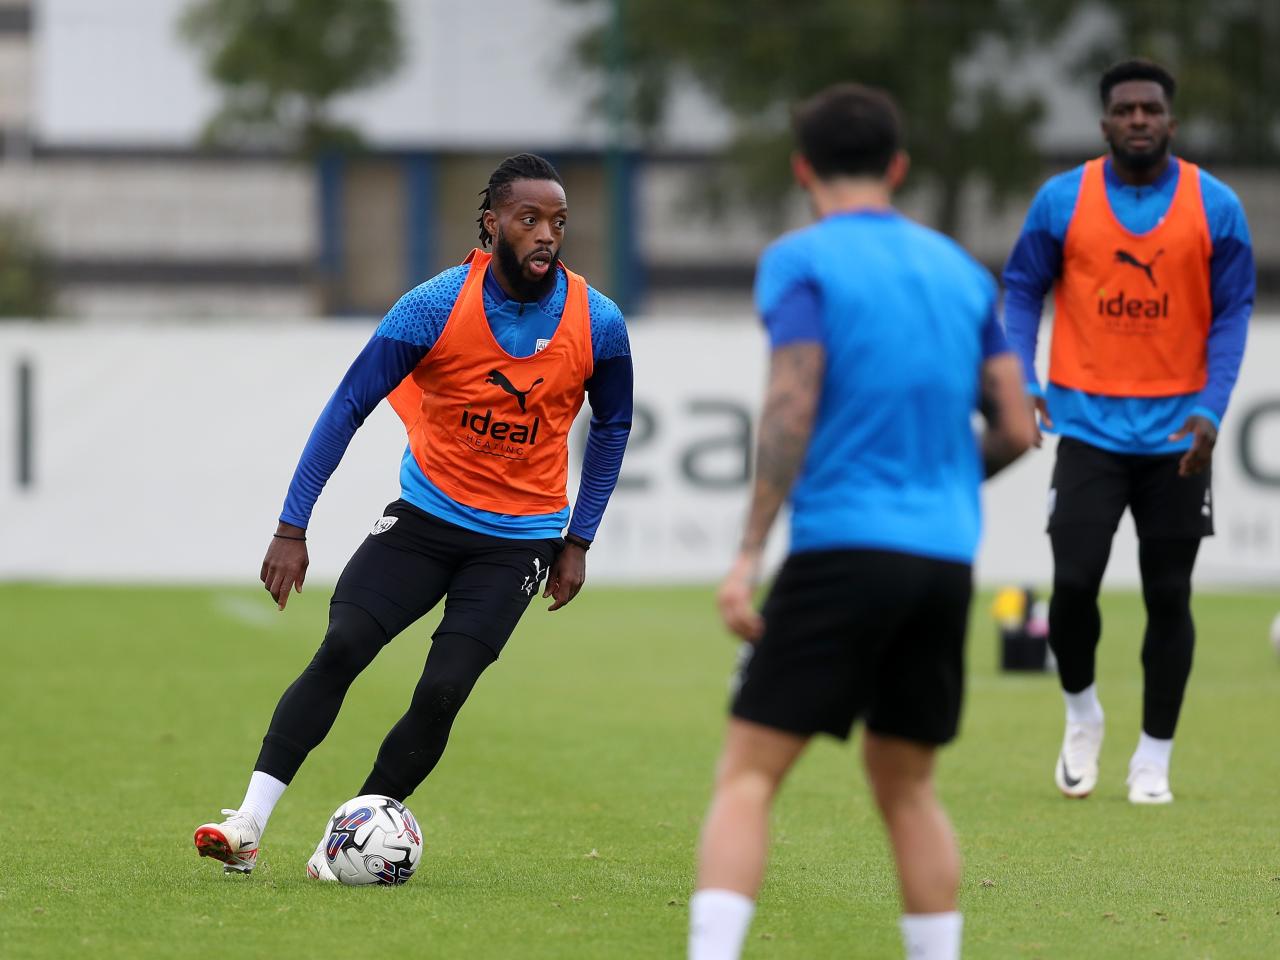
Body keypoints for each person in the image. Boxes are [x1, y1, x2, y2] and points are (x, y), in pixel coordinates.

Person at [192, 153, 633, 876]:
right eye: (529, 219)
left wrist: (577, 539)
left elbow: (613, 428)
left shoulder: (600, 322)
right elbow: (347, 408)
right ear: (492, 223)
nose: (546, 234)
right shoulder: (433, 306)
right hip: (424, 521)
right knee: (341, 649)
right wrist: (291, 527)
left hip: (517, 543)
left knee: (442, 691)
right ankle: (246, 823)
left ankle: (349, 839)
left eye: (558, 220)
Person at [688, 84, 1036, 960]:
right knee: (907, 787)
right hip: (944, 560)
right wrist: (949, 475)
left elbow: (791, 405)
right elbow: (1020, 426)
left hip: (844, 545)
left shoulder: (802, 260)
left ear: (803, 168)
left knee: (749, 777)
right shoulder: (961, 271)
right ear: (899, 166)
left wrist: (746, 554)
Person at [1003, 59, 1253, 805]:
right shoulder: (1061, 201)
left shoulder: (1216, 207)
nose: (1138, 119)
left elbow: (1234, 312)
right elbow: (1020, 288)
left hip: (1179, 434)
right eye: (1124, 108)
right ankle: (1083, 715)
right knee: (1073, 585)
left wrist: (1212, 407)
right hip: (1086, 424)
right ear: (1105, 121)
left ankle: (1154, 757)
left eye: (1150, 109)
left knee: (1168, 595)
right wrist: (1022, 377)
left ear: (1171, 123)